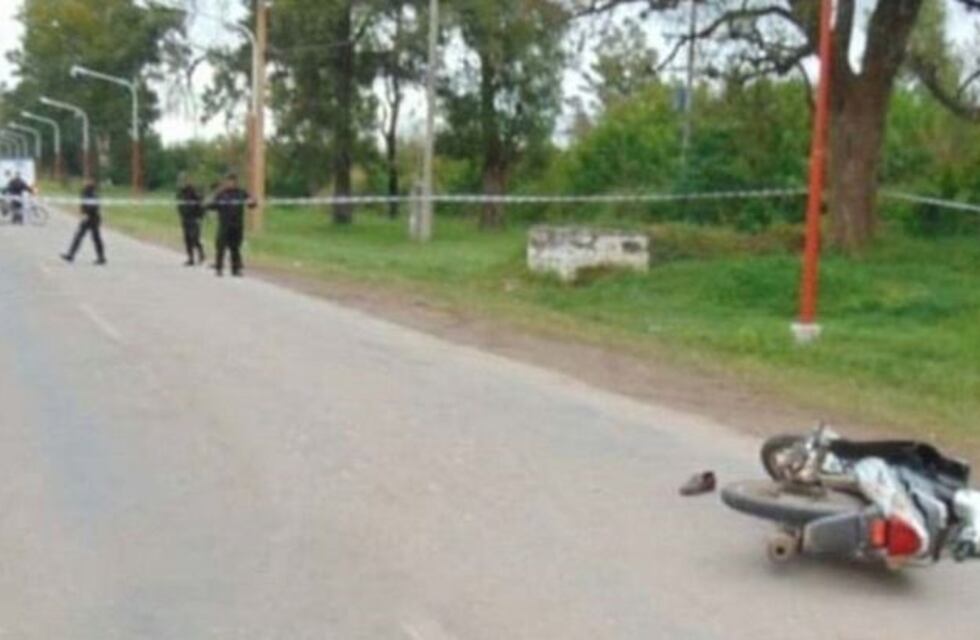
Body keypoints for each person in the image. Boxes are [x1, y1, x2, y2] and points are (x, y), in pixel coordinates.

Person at [206, 172, 255, 277]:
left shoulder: (241, 193)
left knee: (235, 248)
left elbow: (252, 204)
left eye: (233, 181)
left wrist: (252, 201)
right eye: (229, 181)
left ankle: (235, 269)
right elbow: (211, 206)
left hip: (237, 225)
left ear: (236, 182)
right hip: (224, 225)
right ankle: (219, 268)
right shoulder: (221, 194)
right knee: (220, 247)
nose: (231, 183)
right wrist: (209, 202)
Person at [61, 178, 106, 265]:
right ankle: (70, 255)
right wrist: (83, 212)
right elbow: (83, 205)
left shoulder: (92, 194)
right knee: (79, 236)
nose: (84, 182)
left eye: (87, 181)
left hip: (92, 218)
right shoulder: (85, 192)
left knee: (95, 238)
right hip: (89, 218)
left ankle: (101, 257)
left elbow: (94, 207)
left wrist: (86, 214)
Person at [176, 174, 206, 266]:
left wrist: (200, 217)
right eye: (181, 181)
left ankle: (201, 252)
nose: (182, 183)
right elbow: (179, 205)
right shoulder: (180, 193)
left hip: (194, 218)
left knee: (194, 238)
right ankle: (190, 258)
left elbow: (200, 204)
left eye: (184, 181)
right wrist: (181, 214)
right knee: (187, 239)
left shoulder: (193, 191)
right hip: (185, 218)